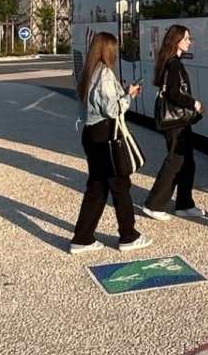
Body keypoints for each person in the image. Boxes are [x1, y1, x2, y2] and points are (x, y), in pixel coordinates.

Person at [70, 31, 151, 254]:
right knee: (120, 184)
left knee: (97, 187)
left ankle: (82, 237)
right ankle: (128, 235)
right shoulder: (105, 73)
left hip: (90, 132)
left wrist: (123, 93)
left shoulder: (87, 72)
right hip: (106, 135)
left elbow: (88, 107)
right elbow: (113, 110)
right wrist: (129, 96)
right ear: (109, 50)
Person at [141, 24, 205, 221]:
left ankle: (184, 204)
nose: (189, 42)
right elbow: (174, 93)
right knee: (175, 161)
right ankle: (153, 204)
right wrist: (193, 103)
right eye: (185, 38)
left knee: (187, 161)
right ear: (176, 40)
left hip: (178, 121)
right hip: (176, 121)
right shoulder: (174, 64)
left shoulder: (169, 61)